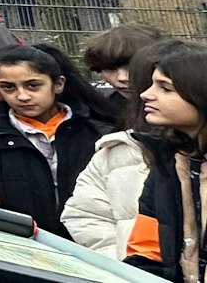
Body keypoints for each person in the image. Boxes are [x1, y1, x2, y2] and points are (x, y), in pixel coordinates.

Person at [0, 44, 115, 235]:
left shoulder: (100, 135)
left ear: (58, 84)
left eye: (33, 85)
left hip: (93, 243)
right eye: (8, 87)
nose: (22, 96)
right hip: (21, 245)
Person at [65, 38, 184, 259]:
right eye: (110, 69)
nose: (122, 77)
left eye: (165, 86)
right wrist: (124, 262)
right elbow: (85, 214)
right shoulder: (117, 149)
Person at [123, 43, 207, 276]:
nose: (145, 94)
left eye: (165, 88)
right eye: (152, 84)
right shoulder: (167, 166)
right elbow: (145, 253)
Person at [83, 24, 164, 123]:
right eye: (110, 68)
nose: (122, 77)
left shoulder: (185, 103)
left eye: (132, 67)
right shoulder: (99, 113)